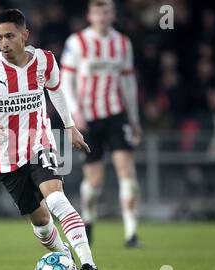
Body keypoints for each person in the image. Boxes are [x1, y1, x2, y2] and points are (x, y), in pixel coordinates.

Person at [0, 9, 102, 270]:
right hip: (4, 158)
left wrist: (69, 125)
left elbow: (56, 89)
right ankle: (66, 260)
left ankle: (89, 266)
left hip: (39, 142)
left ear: (25, 35)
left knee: (56, 199)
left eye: (10, 36)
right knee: (41, 221)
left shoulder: (45, 60)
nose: (4, 43)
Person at [61, 0, 142, 248]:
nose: (102, 16)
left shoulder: (122, 43)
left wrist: (134, 118)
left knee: (126, 172)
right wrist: (75, 113)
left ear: (113, 14)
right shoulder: (77, 42)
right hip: (89, 118)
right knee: (94, 180)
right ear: (89, 14)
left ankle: (131, 234)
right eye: (97, 11)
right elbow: (66, 80)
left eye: (106, 11)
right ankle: (89, 220)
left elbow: (128, 83)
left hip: (116, 115)